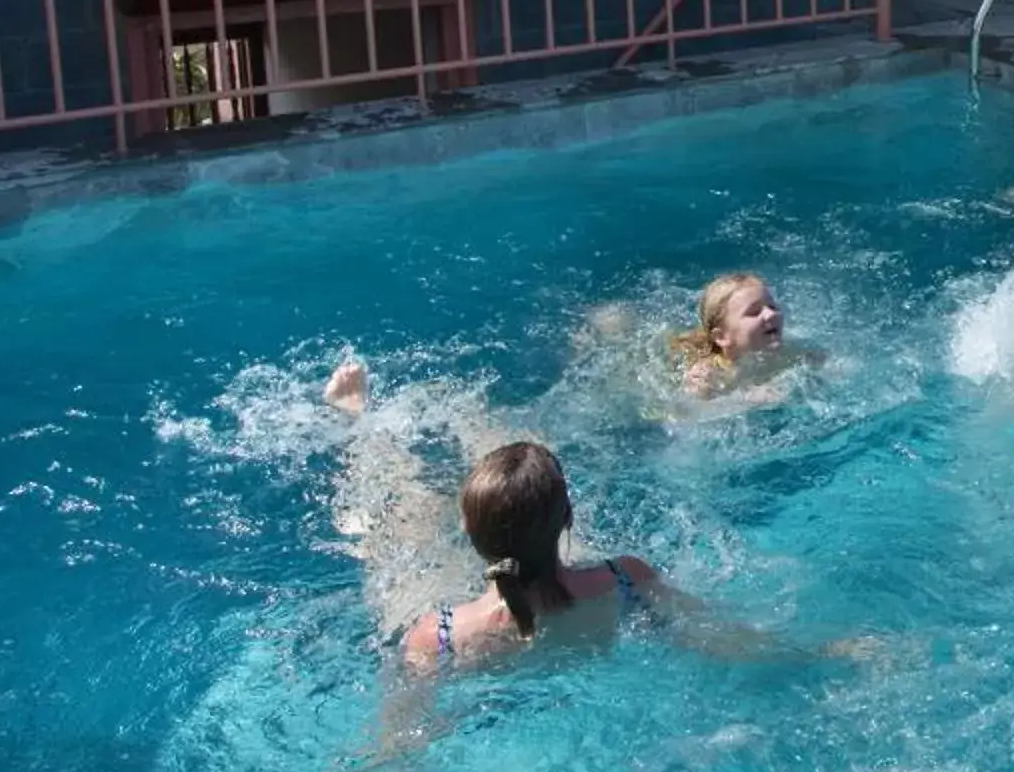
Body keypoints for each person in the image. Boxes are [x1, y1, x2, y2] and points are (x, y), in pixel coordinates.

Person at [324, 359, 661, 670]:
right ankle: (473, 420)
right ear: (569, 516)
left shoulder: (436, 636)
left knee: (400, 525)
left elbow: (398, 729)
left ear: (466, 527)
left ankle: (357, 417)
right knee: (531, 490)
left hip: (451, 615)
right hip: (564, 578)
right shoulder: (627, 578)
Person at [666, 273, 821, 404]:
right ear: (721, 337)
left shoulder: (792, 351)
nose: (771, 314)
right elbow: (691, 417)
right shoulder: (709, 375)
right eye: (754, 312)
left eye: (772, 307)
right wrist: (746, 399)